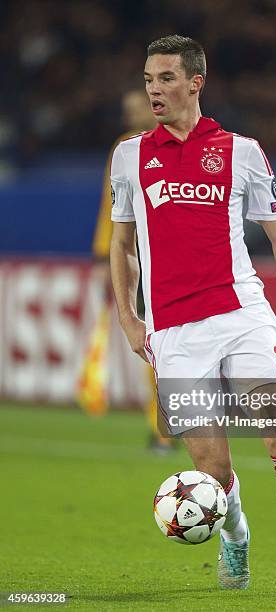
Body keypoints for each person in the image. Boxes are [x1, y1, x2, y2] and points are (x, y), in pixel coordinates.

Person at [109, 35, 276, 598]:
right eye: (148, 79)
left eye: (166, 78)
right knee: (211, 472)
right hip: (173, 330)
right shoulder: (128, 156)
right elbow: (122, 245)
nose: (154, 90)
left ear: (196, 81)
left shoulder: (243, 151)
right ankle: (236, 534)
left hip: (242, 314)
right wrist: (128, 316)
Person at [91, 89, 172, 451]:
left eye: (137, 106)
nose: (132, 113)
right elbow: (110, 211)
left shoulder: (179, 140)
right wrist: (102, 257)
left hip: (174, 260)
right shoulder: (124, 149)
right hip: (140, 263)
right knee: (154, 346)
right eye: (127, 109)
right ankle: (162, 428)